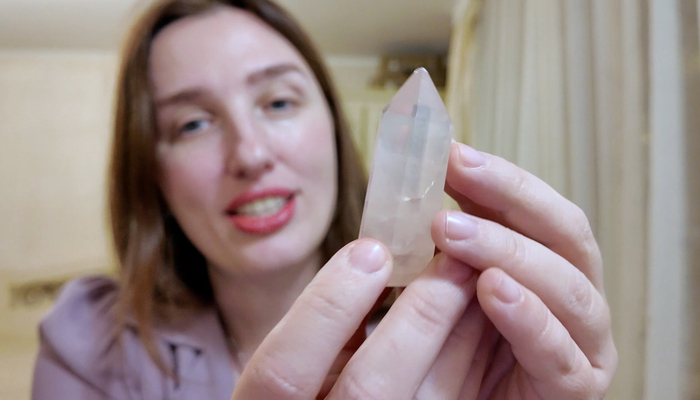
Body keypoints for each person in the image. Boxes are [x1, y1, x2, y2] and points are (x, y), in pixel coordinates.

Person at [31, 0, 618, 398]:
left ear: (335, 131)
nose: (249, 154)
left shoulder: (467, 338)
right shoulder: (88, 342)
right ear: (151, 174)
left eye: (278, 102)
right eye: (192, 124)